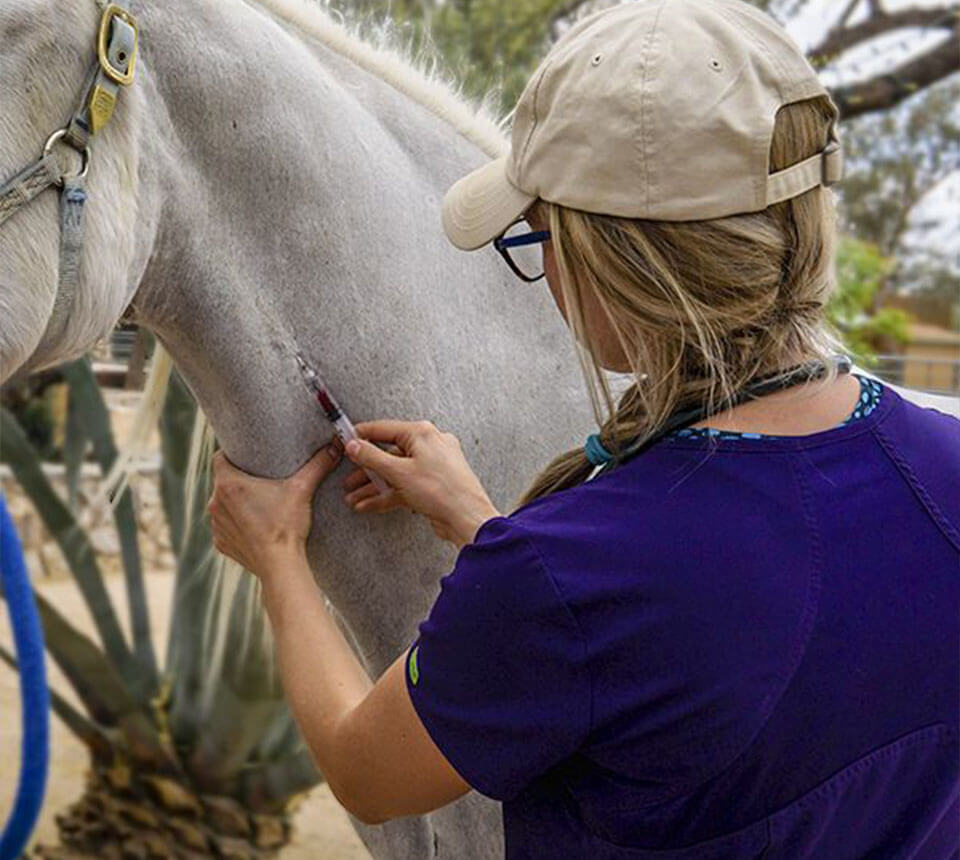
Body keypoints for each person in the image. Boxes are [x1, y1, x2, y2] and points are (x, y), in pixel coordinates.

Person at [207, 1, 960, 855]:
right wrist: (481, 527)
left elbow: (365, 772)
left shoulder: (563, 573)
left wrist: (274, 555)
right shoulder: (945, 472)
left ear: (613, 260)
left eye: (537, 236)